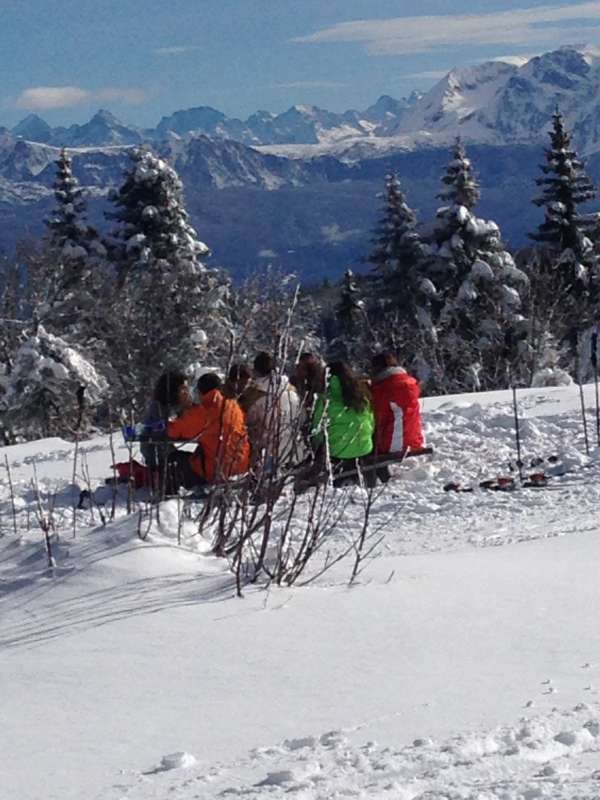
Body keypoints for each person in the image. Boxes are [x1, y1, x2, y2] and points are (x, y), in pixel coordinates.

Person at [168, 372, 250, 484]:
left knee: (177, 458)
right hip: (242, 466)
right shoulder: (233, 406)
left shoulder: (204, 410)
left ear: (201, 392)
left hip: (215, 470)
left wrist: (184, 411)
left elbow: (173, 431)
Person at [311, 360, 375, 486]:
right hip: (364, 449)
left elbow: (317, 430)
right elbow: (371, 422)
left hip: (338, 452)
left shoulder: (325, 399)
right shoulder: (362, 395)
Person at [244, 352, 305, 472]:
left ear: (256, 371)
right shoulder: (291, 390)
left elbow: (246, 422)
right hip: (294, 451)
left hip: (267, 454)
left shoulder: (255, 395)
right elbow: (302, 417)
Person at [370, 351, 424, 483]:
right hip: (414, 438)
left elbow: (376, 414)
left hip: (394, 443)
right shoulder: (409, 382)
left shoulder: (384, 388)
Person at [140, 370, 192, 484]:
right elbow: (160, 438)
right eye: (183, 388)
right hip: (159, 459)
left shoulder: (173, 406)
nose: (186, 392)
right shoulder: (158, 408)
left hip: (166, 454)